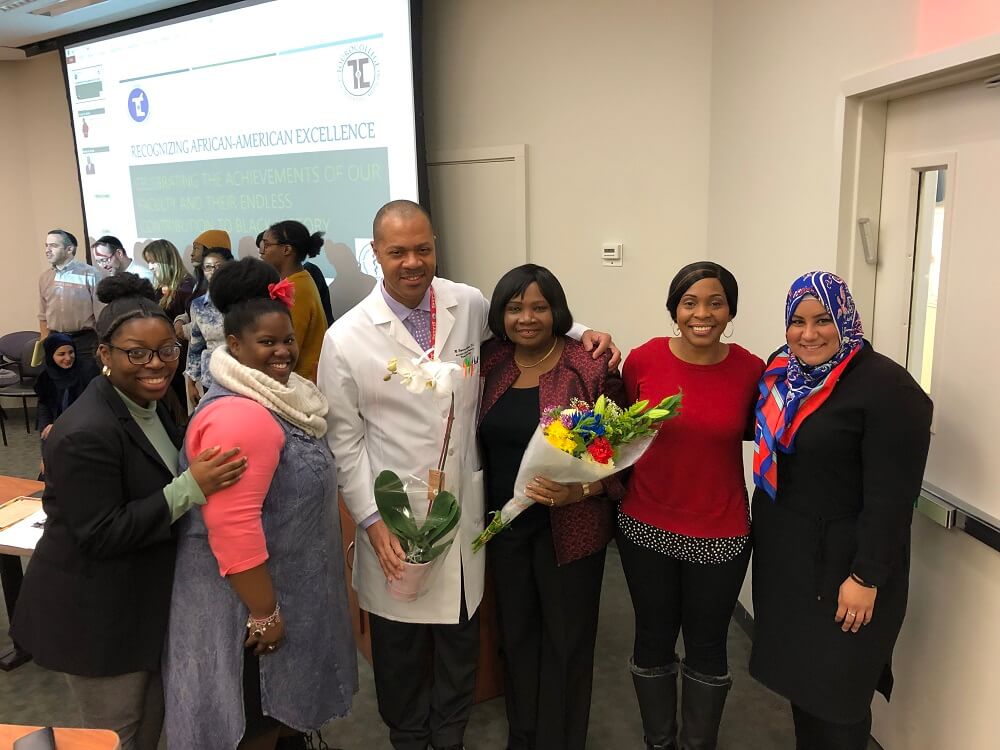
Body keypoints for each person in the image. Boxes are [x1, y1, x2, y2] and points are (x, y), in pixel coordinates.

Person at [318, 199, 617, 750]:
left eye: (423, 248)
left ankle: (450, 737)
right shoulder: (346, 338)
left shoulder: (467, 303)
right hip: (395, 515)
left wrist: (587, 330)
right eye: (398, 251)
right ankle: (410, 738)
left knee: (461, 640)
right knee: (401, 650)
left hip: (465, 512)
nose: (413, 262)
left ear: (436, 246)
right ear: (376, 253)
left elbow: (529, 316)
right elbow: (344, 441)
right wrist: (369, 519)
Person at [11, 273, 246, 750]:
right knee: (117, 736)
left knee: (150, 727)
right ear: (104, 355)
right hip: (94, 616)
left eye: (166, 351)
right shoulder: (86, 432)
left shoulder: (150, 402)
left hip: (139, 600)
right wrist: (191, 488)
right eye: (136, 353)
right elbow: (101, 534)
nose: (154, 364)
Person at [164, 258, 356, 749]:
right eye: (267, 343)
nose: (283, 352)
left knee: (280, 723)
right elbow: (232, 528)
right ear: (234, 345)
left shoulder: (275, 397)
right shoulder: (243, 416)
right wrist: (265, 613)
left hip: (277, 596)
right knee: (256, 724)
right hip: (246, 616)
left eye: (287, 340)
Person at [750, 271, 932, 750]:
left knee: (840, 701)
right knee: (803, 690)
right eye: (797, 321)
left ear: (846, 319)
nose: (808, 334)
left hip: (846, 573)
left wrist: (867, 576)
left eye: (823, 320)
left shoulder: (886, 387)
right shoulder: (781, 371)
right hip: (789, 567)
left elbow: (892, 498)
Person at [478, 264, 627, 750]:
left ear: (557, 311)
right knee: (517, 639)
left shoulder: (588, 366)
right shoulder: (488, 361)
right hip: (506, 526)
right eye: (515, 307)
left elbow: (619, 455)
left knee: (567, 644)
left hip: (572, 527)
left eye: (539, 307)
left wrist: (578, 492)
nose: (527, 317)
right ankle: (523, 737)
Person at [617, 262, 764, 750]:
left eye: (715, 302)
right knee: (653, 640)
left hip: (720, 534)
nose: (702, 313)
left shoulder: (751, 370)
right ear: (674, 310)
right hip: (645, 527)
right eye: (690, 302)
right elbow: (619, 438)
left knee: (707, 647)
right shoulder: (642, 360)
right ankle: (659, 742)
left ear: (731, 310)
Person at [257, 221, 328, 381]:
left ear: (287, 249)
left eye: (267, 245)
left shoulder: (296, 288)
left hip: (300, 384)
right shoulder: (298, 280)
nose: (262, 251)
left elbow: (287, 349)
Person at [143, 239, 197, 418]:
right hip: (166, 352)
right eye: (147, 262)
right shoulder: (159, 288)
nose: (150, 267)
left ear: (166, 261)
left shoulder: (186, 288)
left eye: (153, 262)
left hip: (181, 355)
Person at [38, 228, 102, 366]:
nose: (47, 250)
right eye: (46, 245)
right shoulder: (45, 277)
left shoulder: (90, 274)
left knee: (86, 382)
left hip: (85, 341)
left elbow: (101, 314)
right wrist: (44, 341)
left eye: (54, 246)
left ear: (69, 249)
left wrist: (103, 344)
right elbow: (43, 316)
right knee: (59, 385)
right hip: (56, 341)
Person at [184, 247, 233, 407]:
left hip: (243, 374)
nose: (213, 272)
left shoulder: (245, 300)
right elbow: (196, 345)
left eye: (218, 267)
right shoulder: (199, 305)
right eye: (208, 267)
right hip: (212, 379)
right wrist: (191, 382)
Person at [34, 332, 98, 440]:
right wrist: (45, 428)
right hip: (57, 424)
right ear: (51, 355)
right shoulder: (46, 375)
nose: (68, 358)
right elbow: (44, 405)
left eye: (71, 352)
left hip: (85, 425)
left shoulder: (88, 371)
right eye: (61, 354)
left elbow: (90, 407)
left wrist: (60, 426)